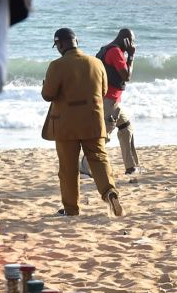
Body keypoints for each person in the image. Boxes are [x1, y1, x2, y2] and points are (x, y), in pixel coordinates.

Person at [41, 27, 123, 217]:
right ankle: (110, 193)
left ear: (60, 44)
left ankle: (71, 209)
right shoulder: (96, 63)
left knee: (68, 168)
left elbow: (48, 95)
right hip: (93, 121)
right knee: (99, 159)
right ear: (77, 41)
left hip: (65, 125)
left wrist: (45, 85)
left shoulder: (57, 65)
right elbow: (103, 92)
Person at [78, 29, 140, 181]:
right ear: (126, 40)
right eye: (131, 41)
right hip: (109, 101)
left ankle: (131, 167)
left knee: (126, 128)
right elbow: (126, 76)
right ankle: (85, 170)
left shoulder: (105, 49)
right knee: (102, 136)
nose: (132, 44)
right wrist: (131, 55)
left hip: (110, 100)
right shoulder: (115, 52)